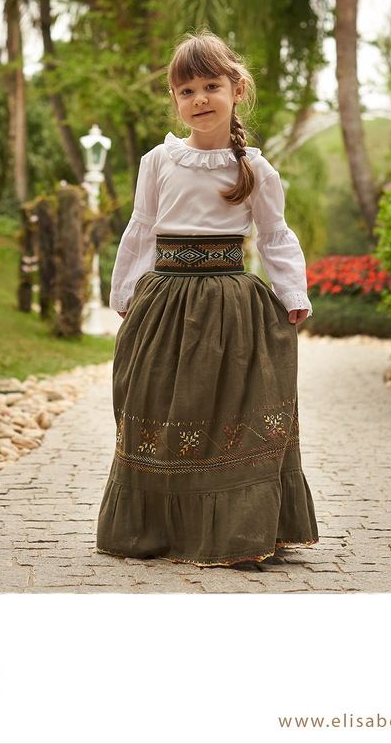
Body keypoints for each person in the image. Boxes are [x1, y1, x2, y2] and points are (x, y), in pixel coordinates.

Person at [96, 31, 319, 567]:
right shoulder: (159, 161)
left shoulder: (256, 169)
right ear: (175, 100)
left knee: (227, 408)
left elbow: (274, 236)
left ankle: (238, 529)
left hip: (230, 308)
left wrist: (293, 294)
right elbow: (142, 227)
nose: (199, 99)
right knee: (157, 399)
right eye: (186, 90)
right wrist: (125, 289)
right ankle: (156, 527)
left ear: (237, 90)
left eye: (210, 86)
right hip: (165, 302)